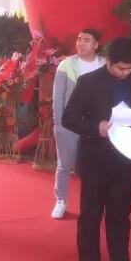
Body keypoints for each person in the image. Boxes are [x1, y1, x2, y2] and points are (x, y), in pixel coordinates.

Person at [62, 38, 131, 261]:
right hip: (96, 160)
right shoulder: (89, 82)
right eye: (121, 68)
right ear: (109, 62)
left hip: (126, 158)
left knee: (120, 215)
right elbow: (68, 118)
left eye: (130, 68)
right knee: (91, 218)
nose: (126, 72)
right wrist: (95, 127)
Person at [51, 28, 106, 220]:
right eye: (79, 39)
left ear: (96, 44)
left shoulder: (105, 65)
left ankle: (95, 204)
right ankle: (60, 200)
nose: (81, 43)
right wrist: (59, 124)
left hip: (96, 125)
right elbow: (58, 97)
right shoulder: (66, 65)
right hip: (70, 124)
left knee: (95, 167)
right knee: (65, 164)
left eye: (86, 40)